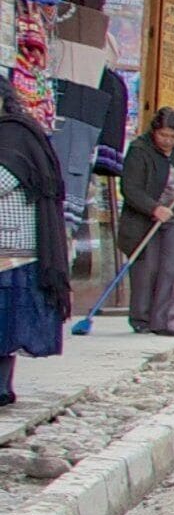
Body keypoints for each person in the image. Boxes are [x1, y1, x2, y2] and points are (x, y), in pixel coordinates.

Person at [0, 89, 70, 404]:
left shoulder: (13, 135)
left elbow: (3, 180)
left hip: (10, 244)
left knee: (6, 322)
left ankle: (2, 388)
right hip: (13, 246)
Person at [115, 110, 174, 335]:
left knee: (172, 268)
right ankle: (142, 320)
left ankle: (166, 322)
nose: (167, 141)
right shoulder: (139, 150)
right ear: (154, 131)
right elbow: (130, 188)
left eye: (172, 136)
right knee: (147, 269)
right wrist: (153, 208)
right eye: (162, 135)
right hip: (143, 220)